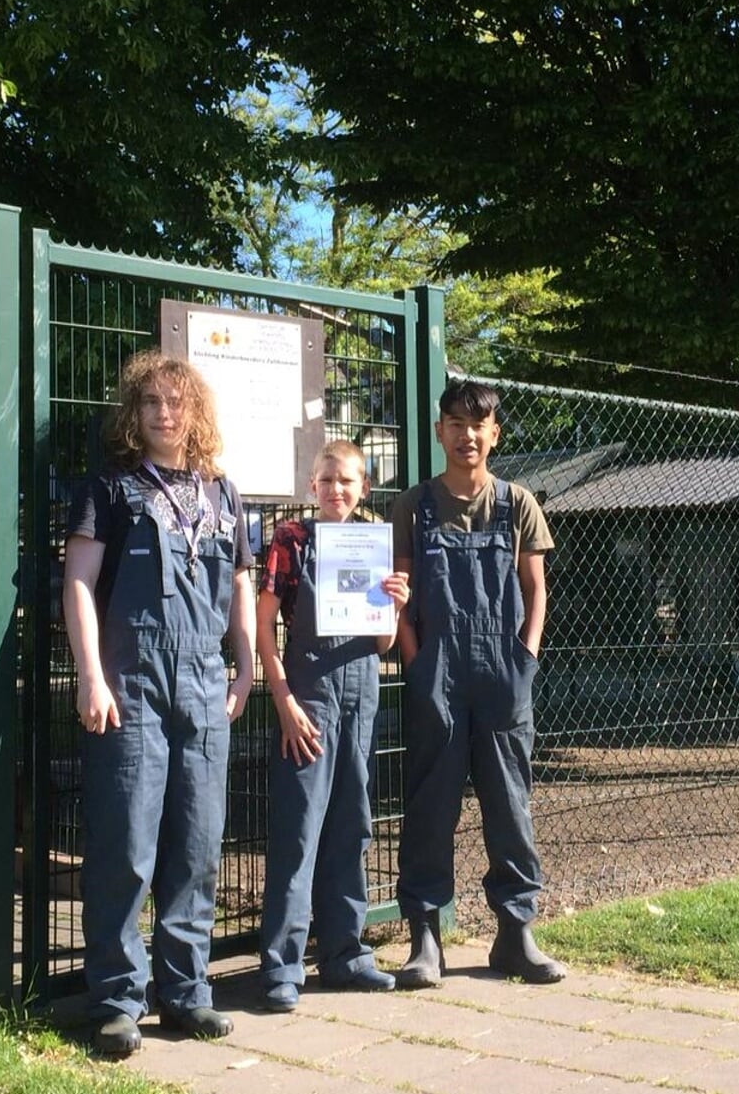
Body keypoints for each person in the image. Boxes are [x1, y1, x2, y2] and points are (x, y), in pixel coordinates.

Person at [61, 350, 256, 1056]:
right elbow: (79, 583)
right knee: (125, 844)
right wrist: (90, 674)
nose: (164, 414)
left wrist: (248, 666)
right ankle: (116, 1000)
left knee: (199, 845)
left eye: (176, 403)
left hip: (204, 687)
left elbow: (240, 587)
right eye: (151, 403)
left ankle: (185, 992)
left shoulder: (223, 494)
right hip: (131, 685)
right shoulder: (109, 489)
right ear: (134, 415)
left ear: (195, 412)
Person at [389, 381, 566, 988]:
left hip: (503, 671)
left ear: (494, 434)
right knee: (430, 806)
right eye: (455, 423)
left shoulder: (518, 503)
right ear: (439, 431)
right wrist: (415, 661)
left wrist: (526, 655)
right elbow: (402, 595)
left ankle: (515, 935)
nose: (467, 434)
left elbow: (536, 588)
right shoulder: (414, 507)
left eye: (478, 424)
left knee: (510, 804)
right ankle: (424, 940)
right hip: (436, 671)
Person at [255, 441, 409, 1012]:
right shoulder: (291, 541)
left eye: (346, 482)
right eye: (326, 481)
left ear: (363, 488)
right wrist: (284, 700)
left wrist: (393, 604)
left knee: (353, 826)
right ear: (312, 485)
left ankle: (345, 955)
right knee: (298, 834)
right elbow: (264, 626)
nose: (336, 491)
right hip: (310, 699)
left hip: (361, 697)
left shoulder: (373, 544)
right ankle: (282, 968)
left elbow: (384, 643)